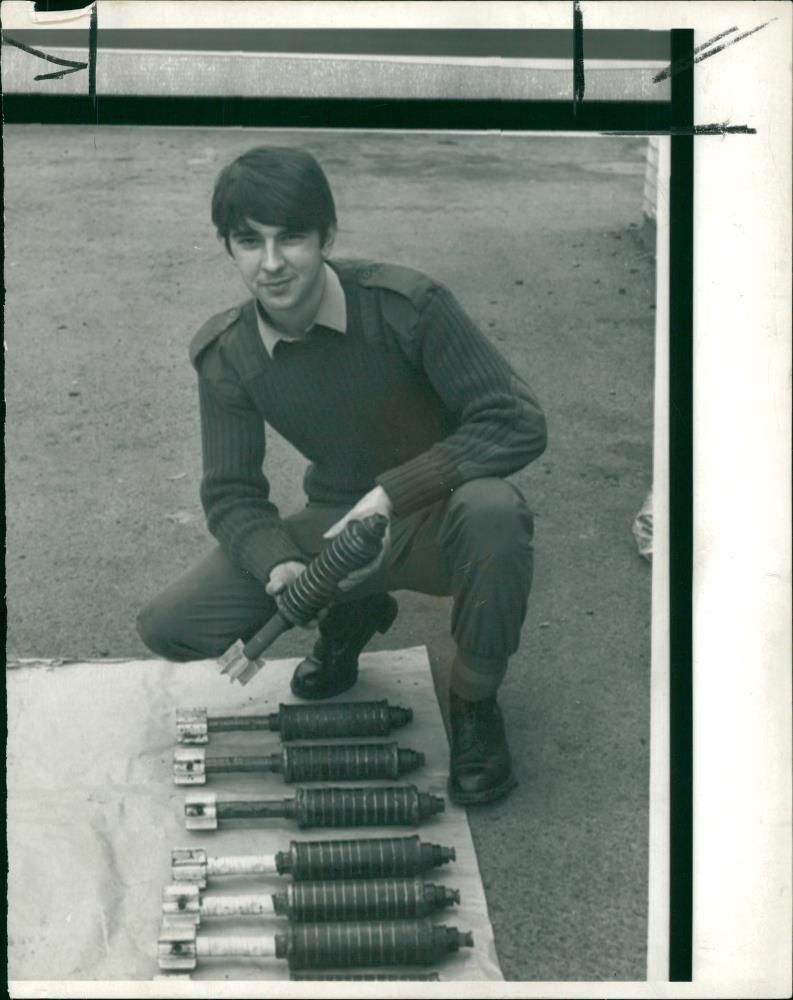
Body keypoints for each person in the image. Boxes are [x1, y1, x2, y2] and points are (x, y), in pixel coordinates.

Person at [137, 146, 547, 805]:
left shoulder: (408, 306)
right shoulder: (227, 354)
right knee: (171, 624)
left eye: (291, 238)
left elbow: (516, 420)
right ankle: (352, 611)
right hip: (336, 530)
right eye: (249, 241)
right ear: (229, 247)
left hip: (442, 516)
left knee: (496, 513)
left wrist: (392, 494)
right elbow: (232, 494)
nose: (270, 264)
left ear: (327, 235)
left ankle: (473, 699)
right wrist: (281, 568)